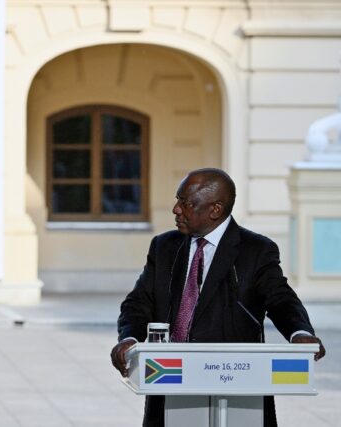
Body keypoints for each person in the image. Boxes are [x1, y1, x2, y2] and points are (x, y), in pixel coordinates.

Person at [110, 168, 325, 427]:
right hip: (169, 381)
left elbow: (280, 298)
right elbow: (138, 302)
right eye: (178, 200)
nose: (176, 209)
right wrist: (130, 338)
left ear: (215, 209)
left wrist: (299, 332)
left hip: (237, 386)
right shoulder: (164, 246)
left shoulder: (256, 250)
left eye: (185, 203)